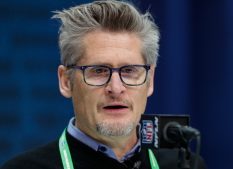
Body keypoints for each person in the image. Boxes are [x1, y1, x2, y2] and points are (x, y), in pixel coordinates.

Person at [1, 1, 205, 169]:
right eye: (98, 71)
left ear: (150, 81)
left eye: (129, 70)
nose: (116, 88)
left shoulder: (184, 164)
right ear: (65, 81)